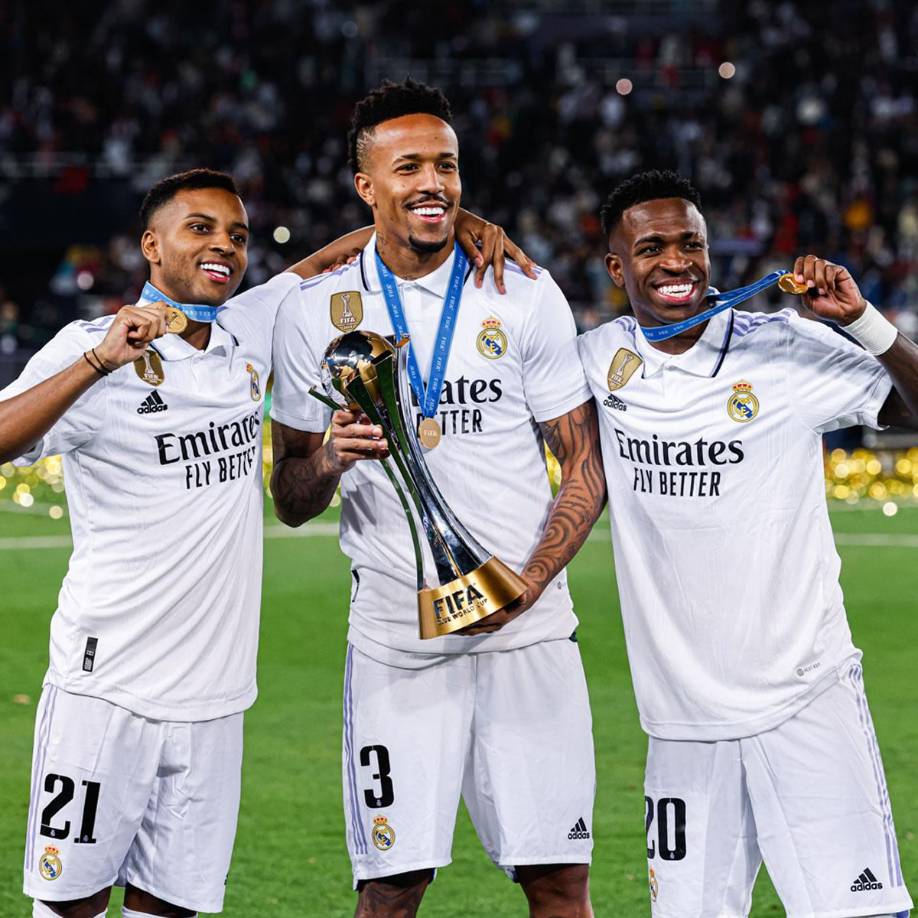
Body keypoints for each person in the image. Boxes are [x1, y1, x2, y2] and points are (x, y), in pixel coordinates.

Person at [1, 166, 522, 918]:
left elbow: (330, 262)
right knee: (70, 905)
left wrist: (460, 222)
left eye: (238, 235)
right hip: (106, 687)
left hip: (216, 698)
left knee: (171, 906)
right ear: (152, 244)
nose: (225, 247)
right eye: (201, 228)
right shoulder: (93, 347)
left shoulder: (247, 328)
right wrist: (96, 363)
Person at [269, 79, 605, 918]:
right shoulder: (312, 312)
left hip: (527, 627)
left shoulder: (522, 291)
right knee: (391, 886)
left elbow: (586, 465)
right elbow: (291, 494)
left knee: (559, 879)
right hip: (396, 636)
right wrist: (334, 463)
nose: (434, 183)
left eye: (447, 165)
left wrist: (528, 583)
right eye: (408, 165)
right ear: (366, 186)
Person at [577, 169, 918, 918]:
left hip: (805, 695)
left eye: (691, 243)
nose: (676, 262)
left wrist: (862, 321)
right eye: (653, 246)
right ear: (616, 266)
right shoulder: (596, 362)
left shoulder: (785, 347)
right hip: (682, 721)